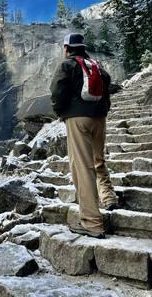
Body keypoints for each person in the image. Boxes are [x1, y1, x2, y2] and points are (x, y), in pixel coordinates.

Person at [50, 33, 118, 239]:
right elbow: (107, 83)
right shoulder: (94, 64)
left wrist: (61, 112)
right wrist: (103, 109)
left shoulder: (67, 65)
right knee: (98, 159)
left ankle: (92, 223)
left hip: (78, 119)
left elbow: (56, 91)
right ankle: (108, 197)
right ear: (83, 47)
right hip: (99, 117)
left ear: (67, 48)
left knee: (82, 167)